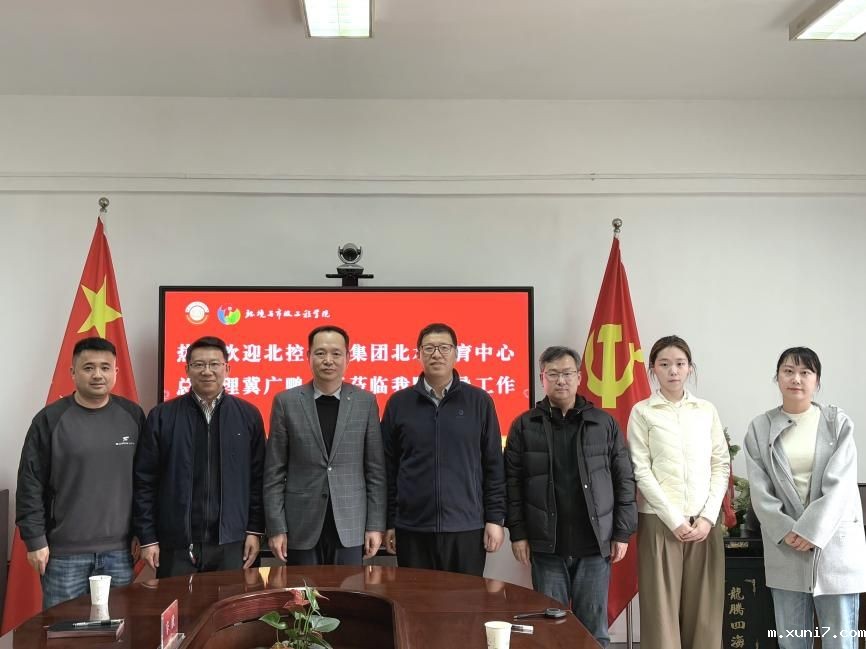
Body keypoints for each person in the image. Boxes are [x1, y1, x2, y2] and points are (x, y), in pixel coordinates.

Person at [504, 345, 636, 648]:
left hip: (594, 544)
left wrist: (622, 532)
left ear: (579, 377)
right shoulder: (524, 425)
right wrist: (518, 534)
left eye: (567, 373)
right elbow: (512, 484)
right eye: (553, 374)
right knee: (550, 630)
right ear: (542, 378)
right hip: (547, 546)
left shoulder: (603, 423)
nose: (560, 380)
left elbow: (624, 480)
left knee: (594, 631)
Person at [745, 347, 866, 649]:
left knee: (841, 641)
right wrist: (786, 530)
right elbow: (760, 490)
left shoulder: (837, 422)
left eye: (805, 372)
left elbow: (841, 485)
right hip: (787, 548)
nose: (796, 379)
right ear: (777, 377)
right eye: (788, 371)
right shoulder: (760, 427)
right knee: (791, 642)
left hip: (834, 546)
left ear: (817, 380)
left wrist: (812, 530)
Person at [16, 337, 145, 608]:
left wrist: (142, 533)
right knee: (63, 628)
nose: (97, 374)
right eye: (88, 368)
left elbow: (144, 481)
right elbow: (30, 483)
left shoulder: (133, 416)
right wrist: (35, 540)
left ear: (115, 372)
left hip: (119, 554)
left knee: (118, 629)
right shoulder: (49, 419)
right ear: (73, 373)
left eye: (105, 367)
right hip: (63, 555)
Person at [627, 335, 729, 649]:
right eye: (664, 364)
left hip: (704, 524)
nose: (673, 370)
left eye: (680, 364)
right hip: (659, 523)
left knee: (705, 614)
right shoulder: (642, 412)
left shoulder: (706, 410)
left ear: (689, 368)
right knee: (661, 616)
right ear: (653, 369)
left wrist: (708, 517)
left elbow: (720, 464)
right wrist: (673, 519)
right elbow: (641, 470)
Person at [133, 335, 265, 577]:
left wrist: (254, 530)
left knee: (231, 602)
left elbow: (258, 479)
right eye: (199, 364)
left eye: (214, 364)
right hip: (176, 543)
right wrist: (148, 537)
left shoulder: (248, 416)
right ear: (187, 370)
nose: (207, 371)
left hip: (232, 542)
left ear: (227, 368)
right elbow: (145, 481)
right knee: (177, 602)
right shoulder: (162, 416)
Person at [381, 322, 505, 576]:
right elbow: (388, 468)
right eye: (429, 348)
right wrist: (390, 521)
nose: (436, 354)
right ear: (418, 354)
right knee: (417, 597)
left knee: (465, 598)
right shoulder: (399, 403)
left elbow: (493, 465)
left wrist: (495, 519)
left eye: (444, 348)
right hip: (412, 528)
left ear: (456, 353)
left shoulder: (479, 401)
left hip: (466, 527)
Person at [264, 325, 386, 565]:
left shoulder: (365, 402)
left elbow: (375, 471)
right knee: (303, 590)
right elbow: (274, 472)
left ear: (348, 358)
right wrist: (276, 527)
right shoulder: (286, 402)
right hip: (300, 524)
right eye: (320, 353)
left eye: (336, 353)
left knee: (349, 589)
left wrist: (375, 525)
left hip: (351, 524)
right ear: (308, 356)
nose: (328, 360)